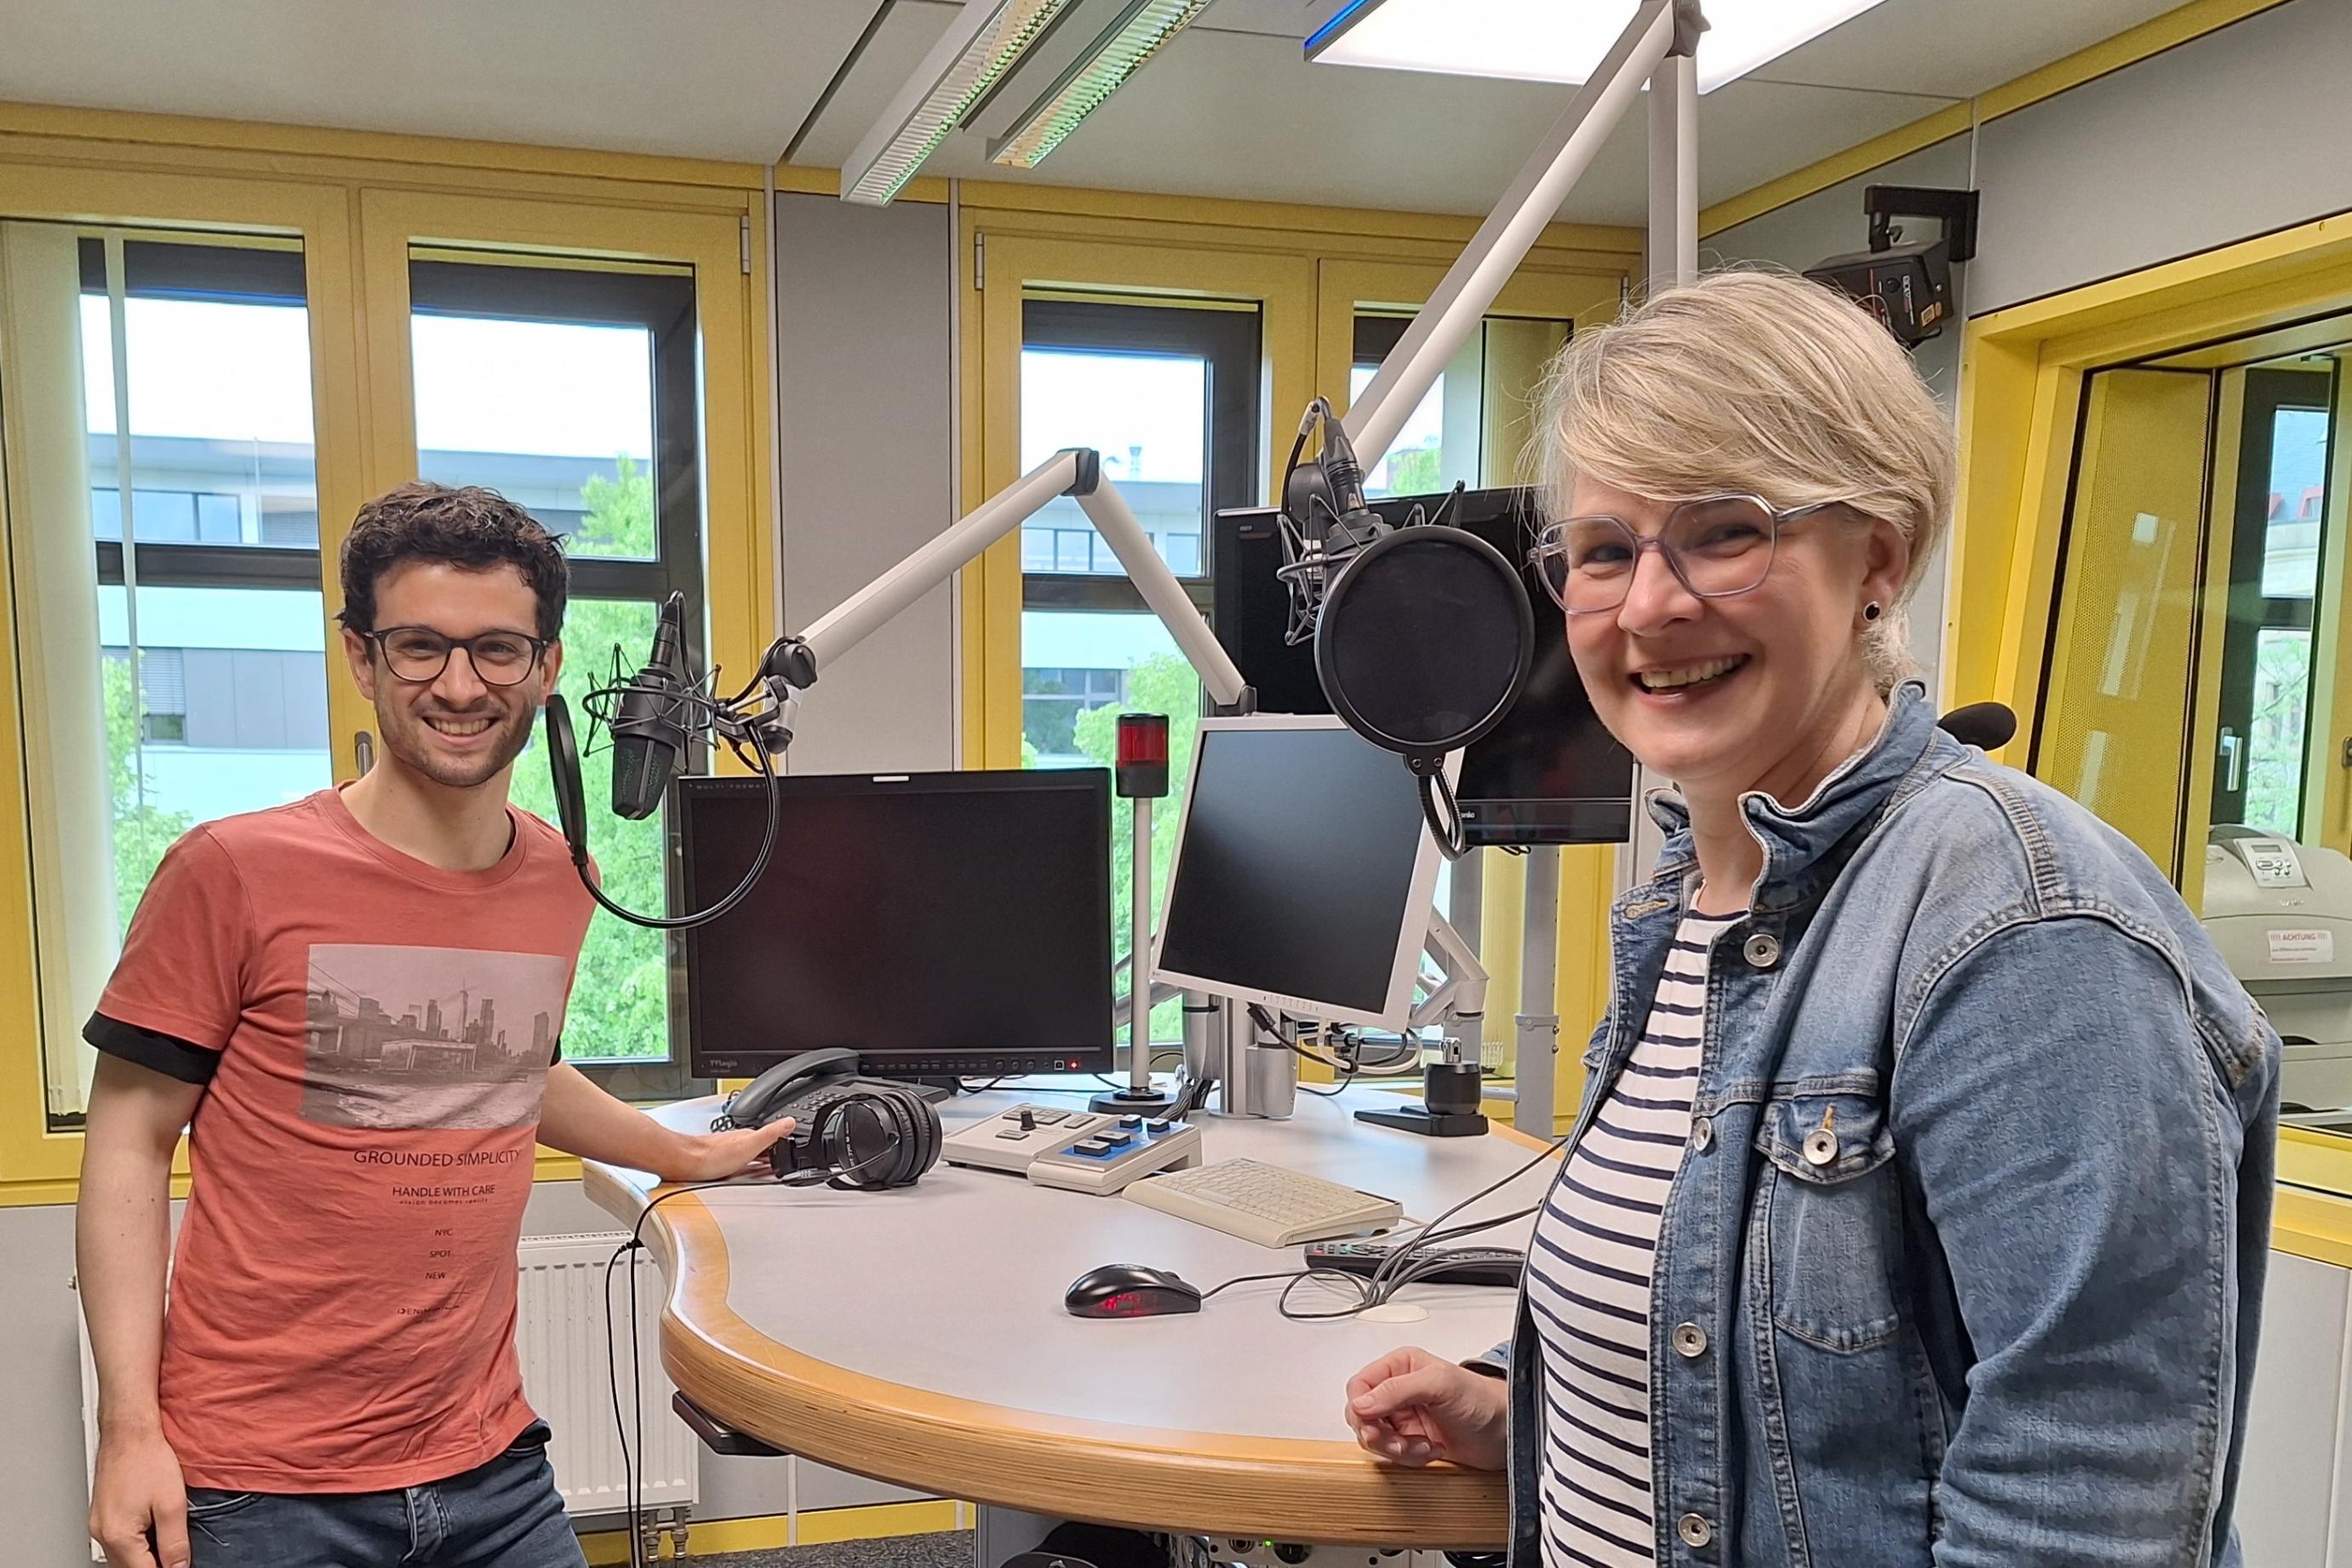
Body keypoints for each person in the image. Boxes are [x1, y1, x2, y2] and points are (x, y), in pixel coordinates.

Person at [1342, 272, 2279, 1567]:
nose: (1652, 605)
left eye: (1724, 531)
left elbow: (2078, 1518)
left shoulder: (2025, 932)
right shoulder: (1686, 901)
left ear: (1876, 562)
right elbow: (1746, 1363)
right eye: (1604, 550)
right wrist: (1522, 1412)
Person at [77, 483, 793, 1568]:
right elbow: (128, 1141)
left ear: (547, 667)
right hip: (260, 1487)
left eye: (498, 650)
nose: (460, 685)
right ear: (363, 660)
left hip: (489, 1464)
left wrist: (690, 1153)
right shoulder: (232, 870)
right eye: (420, 647)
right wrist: (127, 1431)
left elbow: (509, 1070)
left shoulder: (561, 875)